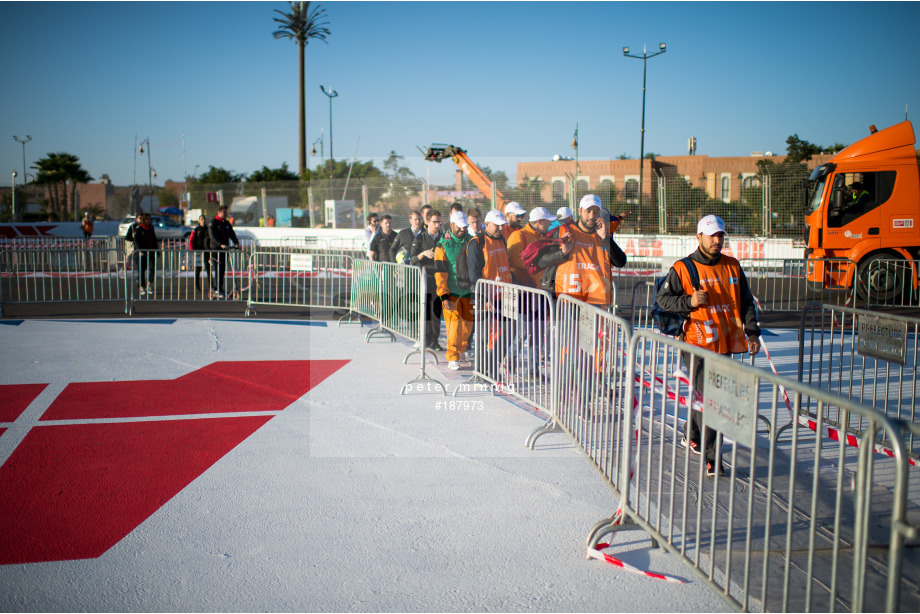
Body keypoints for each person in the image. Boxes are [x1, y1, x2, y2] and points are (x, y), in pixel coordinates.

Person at [655, 214, 761, 477]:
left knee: (706, 396)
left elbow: (746, 301)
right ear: (699, 237)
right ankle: (712, 458)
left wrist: (753, 333)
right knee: (714, 400)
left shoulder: (733, 266)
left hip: (725, 342)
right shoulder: (683, 268)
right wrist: (689, 302)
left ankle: (690, 433)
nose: (717, 240)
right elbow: (662, 301)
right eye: (712, 235)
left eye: (721, 235)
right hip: (696, 344)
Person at [538, 194, 627, 307]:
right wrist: (562, 252)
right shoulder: (563, 232)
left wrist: (605, 238)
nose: (591, 216)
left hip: (596, 301)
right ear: (579, 211)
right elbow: (541, 261)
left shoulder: (604, 234)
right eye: (588, 211)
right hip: (568, 299)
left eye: (595, 212)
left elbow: (620, 262)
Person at [467, 210, 515, 382]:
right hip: (485, 298)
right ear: (486, 224)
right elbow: (474, 274)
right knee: (483, 337)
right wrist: (483, 299)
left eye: (502, 224)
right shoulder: (477, 242)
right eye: (497, 225)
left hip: (503, 296)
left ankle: (491, 367)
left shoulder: (501, 240)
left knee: (508, 332)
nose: (500, 228)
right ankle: (481, 373)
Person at [434, 211, 473, 370]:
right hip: (452, 292)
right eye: (459, 227)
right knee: (454, 327)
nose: (462, 230)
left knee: (467, 327)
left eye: (465, 227)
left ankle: (460, 350)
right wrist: (444, 295)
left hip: (468, 291)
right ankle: (453, 356)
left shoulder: (472, 241)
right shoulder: (443, 245)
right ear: (451, 225)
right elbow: (440, 272)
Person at [410, 209, 443, 351]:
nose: (437, 225)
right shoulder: (419, 238)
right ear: (427, 221)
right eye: (435, 222)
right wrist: (422, 254)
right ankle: (425, 339)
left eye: (439, 222)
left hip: (440, 280)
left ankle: (434, 340)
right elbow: (411, 259)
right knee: (425, 312)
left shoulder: (443, 238)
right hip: (425, 280)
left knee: (436, 312)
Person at [207, 205, 240, 299]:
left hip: (225, 250)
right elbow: (212, 236)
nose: (225, 214)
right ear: (219, 212)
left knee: (222, 270)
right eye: (224, 212)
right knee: (218, 269)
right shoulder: (213, 222)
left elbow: (231, 233)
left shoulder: (226, 223)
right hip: (216, 249)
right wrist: (220, 244)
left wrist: (236, 242)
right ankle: (216, 288)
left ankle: (219, 288)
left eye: (226, 212)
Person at [130, 213, 158, 296]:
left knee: (152, 268)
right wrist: (140, 250)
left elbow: (154, 239)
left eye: (149, 219)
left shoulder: (151, 228)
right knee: (142, 270)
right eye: (147, 219)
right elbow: (136, 240)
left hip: (151, 251)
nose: (148, 221)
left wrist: (157, 250)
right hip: (142, 252)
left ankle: (149, 284)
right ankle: (142, 286)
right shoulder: (139, 229)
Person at [188, 214, 211, 292]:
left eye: (204, 219)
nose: (203, 220)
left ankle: (211, 285)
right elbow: (191, 240)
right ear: (199, 221)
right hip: (198, 252)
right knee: (198, 269)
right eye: (201, 219)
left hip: (207, 251)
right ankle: (197, 285)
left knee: (208, 268)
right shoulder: (196, 230)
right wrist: (192, 250)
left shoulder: (208, 229)